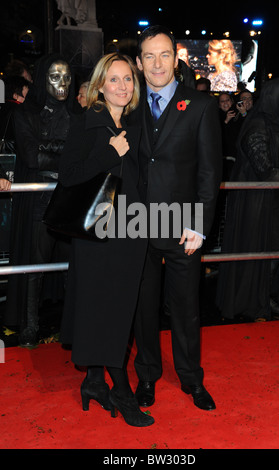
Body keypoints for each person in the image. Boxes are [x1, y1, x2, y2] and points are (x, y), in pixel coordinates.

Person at [58, 53, 154, 427]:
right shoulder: (89, 122)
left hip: (130, 233)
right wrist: (107, 152)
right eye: (113, 80)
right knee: (108, 311)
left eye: (127, 79)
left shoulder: (131, 123)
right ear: (100, 85)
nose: (122, 86)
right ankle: (121, 391)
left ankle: (95, 382)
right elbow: (69, 176)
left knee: (117, 310)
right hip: (99, 236)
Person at [129, 26, 222, 411]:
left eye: (164, 54)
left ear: (176, 59)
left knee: (185, 307)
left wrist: (200, 224)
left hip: (184, 224)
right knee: (143, 307)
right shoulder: (128, 104)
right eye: (149, 56)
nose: (157, 63)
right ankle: (147, 374)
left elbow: (209, 172)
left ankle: (190, 379)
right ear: (139, 63)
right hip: (135, 224)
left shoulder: (200, 107)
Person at [4, 53, 77, 347]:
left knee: (73, 268)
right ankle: (30, 326)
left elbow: (79, 157)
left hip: (71, 199)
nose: (63, 83)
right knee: (35, 267)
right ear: (43, 78)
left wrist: (52, 149)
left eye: (67, 76)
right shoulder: (26, 114)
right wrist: (65, 151)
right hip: (39, 201)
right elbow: (32, 157)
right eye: (55, 76)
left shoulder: (77, 114)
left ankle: (73, 325)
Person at [216, 78, 279, 321]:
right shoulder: (257, 126)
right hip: (254, 199)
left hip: (276, 196)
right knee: (256, 248)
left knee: (276, 248)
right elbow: (265, 170)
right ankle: (251, 299)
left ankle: (265, 295)